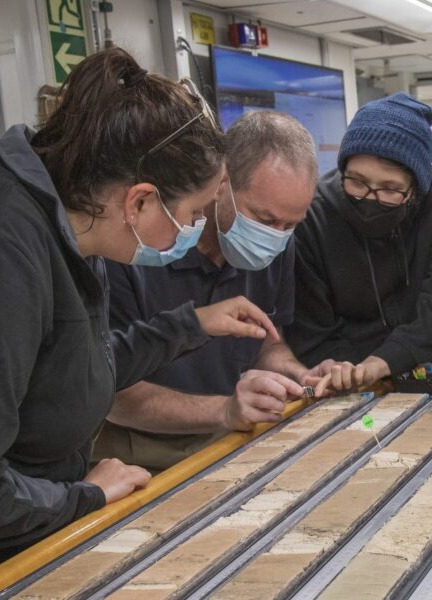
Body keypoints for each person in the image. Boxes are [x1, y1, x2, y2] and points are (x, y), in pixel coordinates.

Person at [0, 48, 280, 595]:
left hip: (10, 529)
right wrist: (84, 498)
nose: (195, 231)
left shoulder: (72, 227)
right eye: (193, 214)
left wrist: (189, 325)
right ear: (139, 201)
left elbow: (71, 368)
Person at [95, 111, 347, 472]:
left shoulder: (277, 246)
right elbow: (113, 393)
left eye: (290, 224)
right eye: (264, 219)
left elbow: (265, 340)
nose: (275, 235)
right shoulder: (133, 249)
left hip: (231, 439)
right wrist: (225, 410)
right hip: (138, 460)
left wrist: (299, 376)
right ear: (221, 184)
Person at [287, 93, 432, 388]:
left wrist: (384, 362)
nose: (370, 198)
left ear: (417, 188)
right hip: (346, 381)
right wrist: (354, 373)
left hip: (429, 369)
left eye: (390, 189)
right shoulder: (315, 215)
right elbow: (310, 328)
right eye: (356, 181)